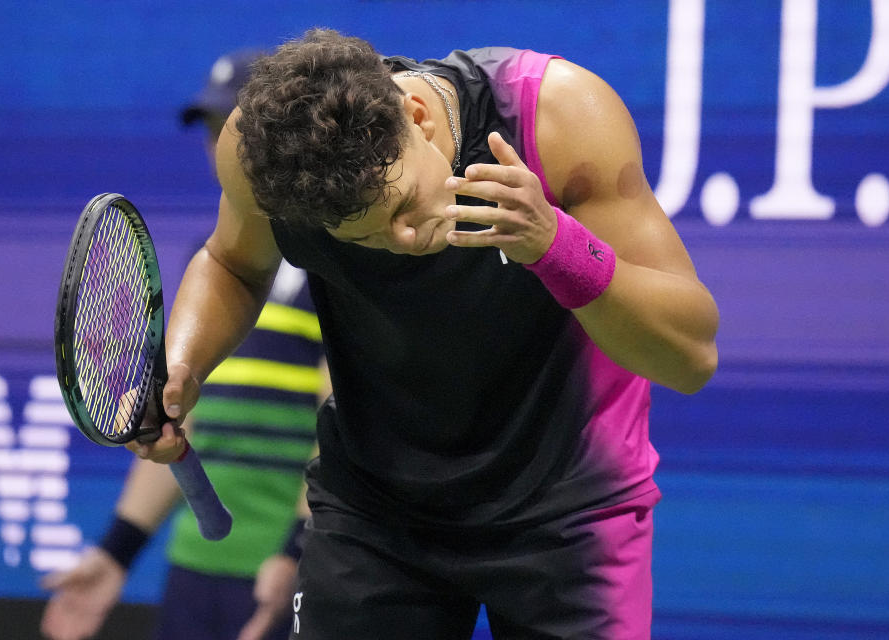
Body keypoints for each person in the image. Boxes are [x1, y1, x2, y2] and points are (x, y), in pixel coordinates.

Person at [129, 29, 720, 640]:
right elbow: (233, 264)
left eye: (405, 205)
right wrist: (182, 367)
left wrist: (555, 245)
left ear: (417, 117)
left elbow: (690, 357)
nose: (406, 241)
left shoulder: (554, 117)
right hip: (378, 510)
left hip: (569, 508)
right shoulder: (265, 156)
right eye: (369, 237)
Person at [40, 49, 327, 640]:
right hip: (196, 571)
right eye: (211, 130)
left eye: (234, 128)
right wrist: (117, 554)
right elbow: (179, 424)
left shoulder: (337, 260)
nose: (219, 146)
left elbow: (344, 422)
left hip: (285, 573)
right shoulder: (215, 263)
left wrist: (299, 553)